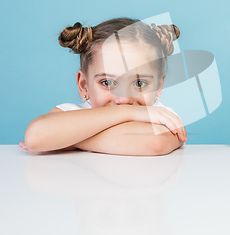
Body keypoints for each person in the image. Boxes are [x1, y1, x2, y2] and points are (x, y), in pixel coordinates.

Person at [21, 17, 187, 156]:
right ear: (84, 85)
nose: (123, 99)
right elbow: (36, 136)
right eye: (107, 82)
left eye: (139, 83)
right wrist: (131, 112)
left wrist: (64, 140)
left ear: (158, 87)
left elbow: (154, 143)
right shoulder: (72, 112)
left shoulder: (161, 116)